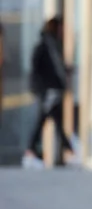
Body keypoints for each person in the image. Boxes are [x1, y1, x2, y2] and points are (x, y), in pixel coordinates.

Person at [22, 16, 78, 169]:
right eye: (60, 28)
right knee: (44, 122)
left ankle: (67, 152)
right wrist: (42, 88)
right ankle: (32, 152)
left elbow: (56, 69)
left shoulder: (54, 46)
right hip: (49, 91)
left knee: (53, 122)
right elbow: (39, 70)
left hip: (53, 90)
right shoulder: (46, 47)